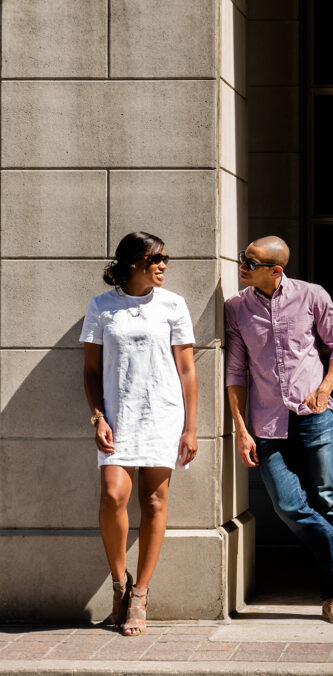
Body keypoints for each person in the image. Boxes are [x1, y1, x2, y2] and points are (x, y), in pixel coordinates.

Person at [224, 236, 333, 624]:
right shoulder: (236, 308)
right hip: (267, 422)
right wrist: (240, 429)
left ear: (275, 271)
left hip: (314, 415)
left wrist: (324, 389)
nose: (242, 265)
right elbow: (235, 372)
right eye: (244, 258)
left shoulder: (312, 296)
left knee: (327, 500)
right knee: (288, 504)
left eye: (251, 261)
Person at [80, 231, 198, 636]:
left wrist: (191, 428)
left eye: (166, 256)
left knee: (153, 501)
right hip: (117, 415)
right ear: (135, 262)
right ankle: (119, 584)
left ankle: (141, 595)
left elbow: (187, 370)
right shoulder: (101, 307)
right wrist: (99, 418)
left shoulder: (173, 305)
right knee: (114, 495)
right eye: (157, 257)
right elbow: (92, 372)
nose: (164, 263)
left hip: (162, 414)